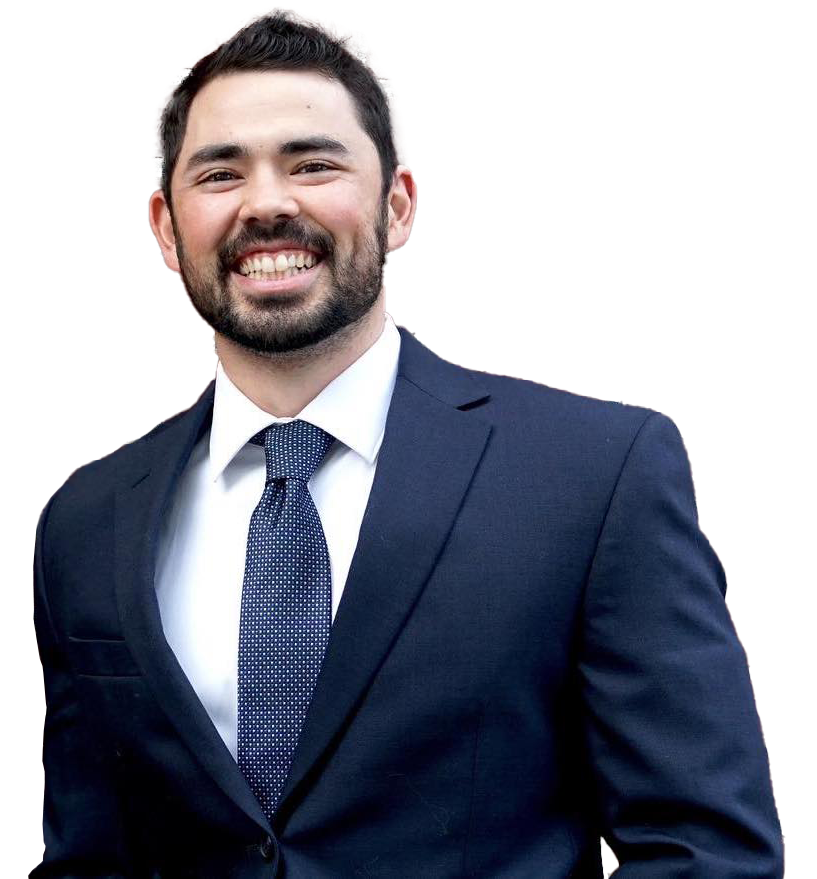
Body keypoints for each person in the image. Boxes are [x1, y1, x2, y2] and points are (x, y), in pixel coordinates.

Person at [32, 8, 783, 877]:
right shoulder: (85, 520)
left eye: (313, 164)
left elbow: (706, 850)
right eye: (220, 173)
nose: (266, 203)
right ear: (166, 227)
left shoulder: (591, 478)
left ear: (396, 207)